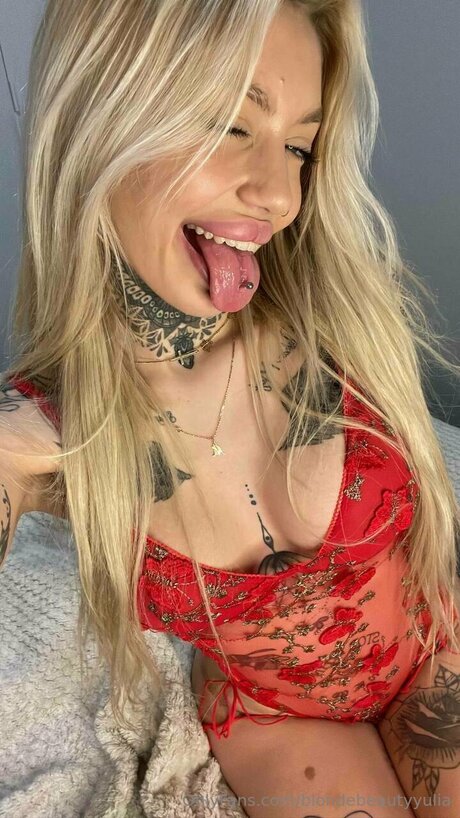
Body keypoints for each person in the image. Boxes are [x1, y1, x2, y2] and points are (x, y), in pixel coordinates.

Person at [1, 1, 459, 816]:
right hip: (275, 721)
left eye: (298, 146)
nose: (277, 195)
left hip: (435, 652)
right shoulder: (47, 437)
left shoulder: (333, 317)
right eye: (230, 125)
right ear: (102, 116)